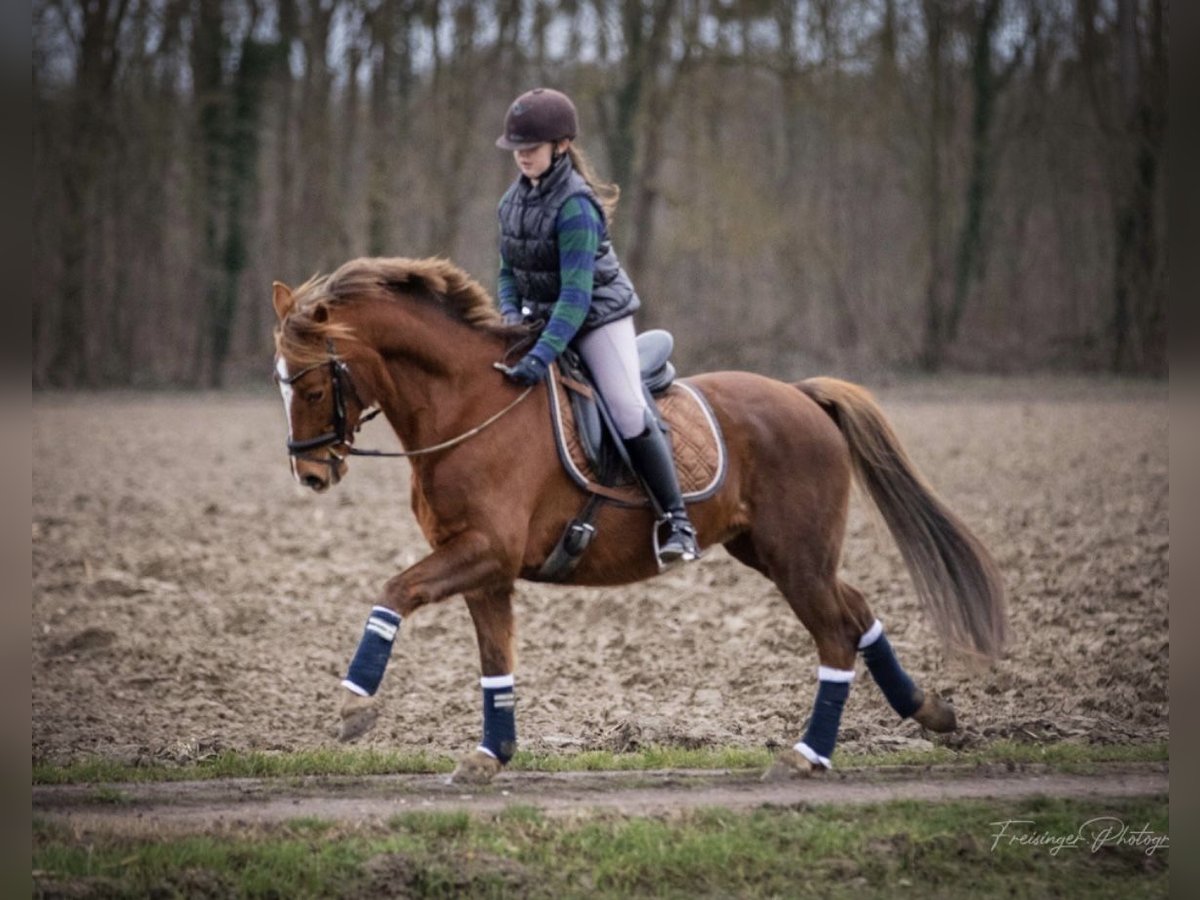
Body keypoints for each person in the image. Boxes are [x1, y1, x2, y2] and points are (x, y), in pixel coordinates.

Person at [493, 87, 700, 567]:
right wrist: (509, 322)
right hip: (539, 318)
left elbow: (577, 297)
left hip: (596, 318)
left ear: (561, 146)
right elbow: (506, 273)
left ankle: (677, 521)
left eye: (532, 147)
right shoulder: (510, 203)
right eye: (517, 148)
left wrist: (540, 355)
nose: (522, 156)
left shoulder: (576, 206)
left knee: (627, 409)